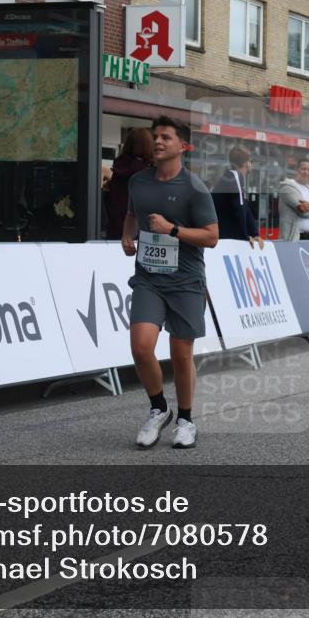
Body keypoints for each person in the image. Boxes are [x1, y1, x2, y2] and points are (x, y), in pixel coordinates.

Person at [121, 116, 218, 450]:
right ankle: (159, 408)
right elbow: (132, 214)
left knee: (180, 354)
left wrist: (172, 230)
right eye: (155, 136)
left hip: (185, 280)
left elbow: (211, 237)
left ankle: (186, 420)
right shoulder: (138, 182)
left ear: (183, 146)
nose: (158, 141)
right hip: (149, 278)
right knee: (141, 347)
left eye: (166, 137)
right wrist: (127, 235)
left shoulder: (194, 188)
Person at [104, 128, 153, 240]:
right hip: (136, 231)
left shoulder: (119, 166)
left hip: (114, 227)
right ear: (147, 146)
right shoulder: (145, 173)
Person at [211, 145, 263, 248]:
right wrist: (245, 237)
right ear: (247, 163)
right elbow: (240, 209)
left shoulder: (233, 177)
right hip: (224, 238)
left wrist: (255, 234)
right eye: (251, 161)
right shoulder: (234, 177)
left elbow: (245, 208)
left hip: (225, 236)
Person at [278, 157, 309, 241]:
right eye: (303, 169)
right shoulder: (286, 187)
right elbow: (302, 212)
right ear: (296, 170)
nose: (306, 172)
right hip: (292, 240)